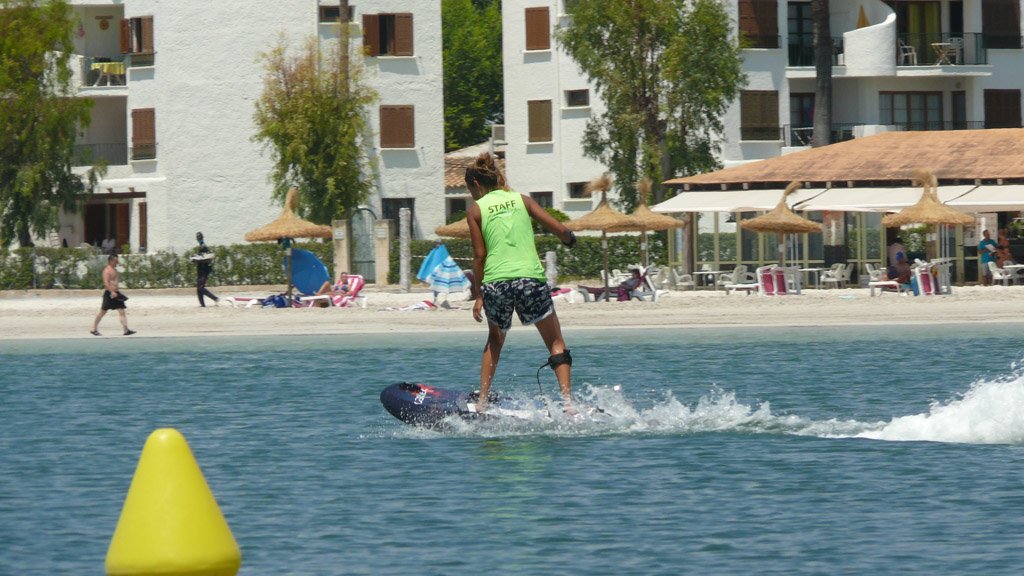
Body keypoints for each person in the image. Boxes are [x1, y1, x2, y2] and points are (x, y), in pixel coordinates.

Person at [465, 152, 578, 415]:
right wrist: (570, 240)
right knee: (555, 341)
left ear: (478, 186)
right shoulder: (522, 200)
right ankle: (569, 405)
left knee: (495, 340)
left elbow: (479, 256)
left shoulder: (476, 210)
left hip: (496, 282)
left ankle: (482, 403)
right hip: (530, 280)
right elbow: (559, 229)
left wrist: (479, 295)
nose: (472, 195)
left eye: (471, 190)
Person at [90, 255, 136, 336]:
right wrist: (112, 292)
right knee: (102, 312)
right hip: (109, 294)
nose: (117, 262)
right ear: (111, 261)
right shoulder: (106, 271)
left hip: (116, 293)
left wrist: (116, 292)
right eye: (115, 261)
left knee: (122, 311)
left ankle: (126, 330)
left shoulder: (114, 270)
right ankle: (94, 329)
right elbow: (106, 283)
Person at [193, 232, 220, 307]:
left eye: (199, 238)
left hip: (203, 270)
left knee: (200, 287)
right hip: (201, 270)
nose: (199, 239)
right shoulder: (201, 246)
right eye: (198, 238)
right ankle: (202, 304)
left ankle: (215, 298)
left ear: (201, 238)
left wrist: (196, 258)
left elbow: (205, 257)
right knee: (198, 288)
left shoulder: (203, 246)